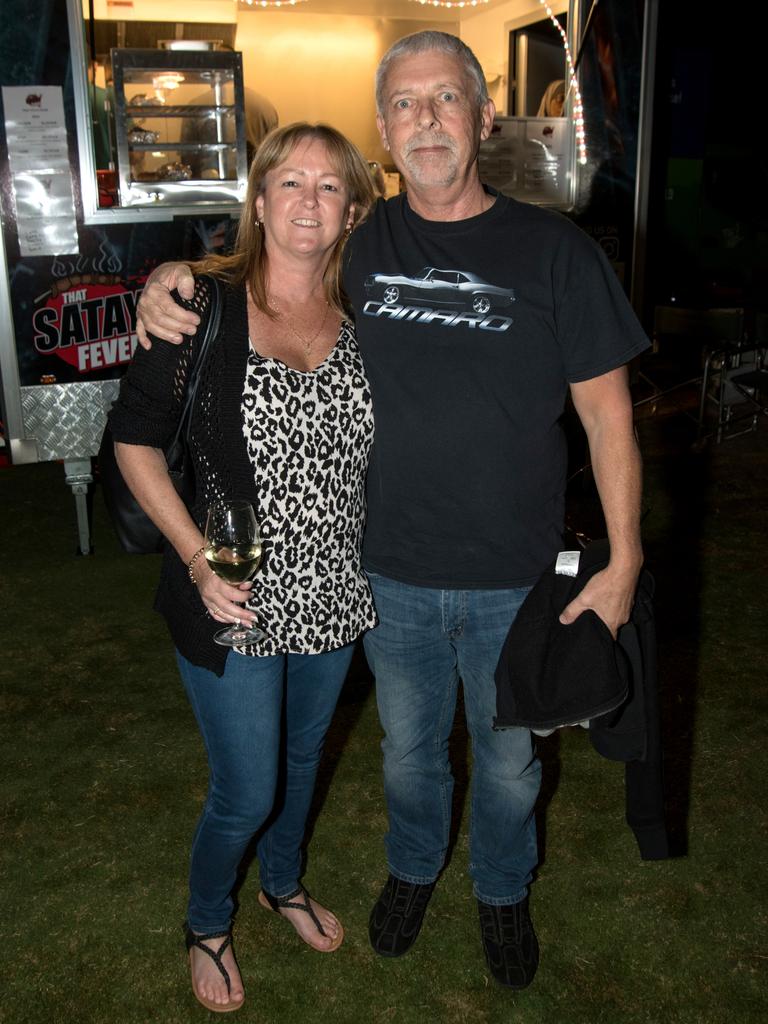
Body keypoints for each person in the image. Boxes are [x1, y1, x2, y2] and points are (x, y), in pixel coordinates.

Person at [134, 31, 650, 991]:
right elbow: (259, 261)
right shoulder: (354, 247)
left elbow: (609, 418)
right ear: (384, 127)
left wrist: (622, 563)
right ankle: (413, 872)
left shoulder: (555, 252)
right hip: (390, 576)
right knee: (411, 758)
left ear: (482, 116)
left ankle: (502, 892)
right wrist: (165, 281)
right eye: (406, 105)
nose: (426, 121)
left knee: (508, 767)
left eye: (446, 100)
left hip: (513, 574)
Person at [109, 122, 377, 1013]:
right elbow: (135, 443)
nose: (308, 200)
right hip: (236, 591)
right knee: (246, 786)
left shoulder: (367, 312)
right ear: (258, 200)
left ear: (350, 210)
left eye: (329, 186)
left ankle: (285, 882)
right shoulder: (200, 305)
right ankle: (207, 920)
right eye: (289, 182)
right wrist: (193, 561)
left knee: (306, 760)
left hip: (337, 591)